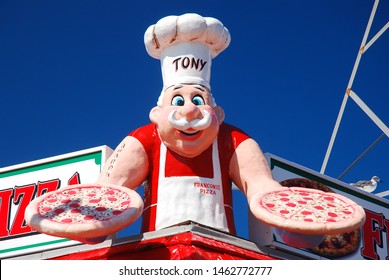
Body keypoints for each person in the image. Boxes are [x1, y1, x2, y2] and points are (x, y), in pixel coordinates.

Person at [96, 13, 285, 235]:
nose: (189, 110)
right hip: (157, 248)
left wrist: (285, 214)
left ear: (218, 113)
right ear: (156, 114)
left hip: (221, 247)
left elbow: (260, 185)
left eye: (198, 100)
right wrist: (92, 222)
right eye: (177, 101)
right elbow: (108, 190)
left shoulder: (232, 140)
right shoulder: (145, 138)